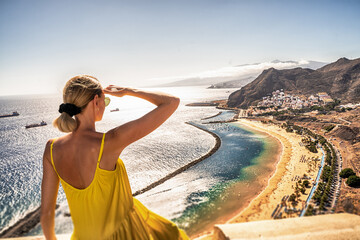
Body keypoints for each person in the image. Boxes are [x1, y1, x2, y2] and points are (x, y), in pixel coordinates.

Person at [40, 75, 189, 240]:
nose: (105, 105)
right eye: (106, 100)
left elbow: (46, 213)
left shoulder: (51, 149)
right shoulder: (109, 142)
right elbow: (172, 102)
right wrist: (127, 91)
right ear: (96, 101)